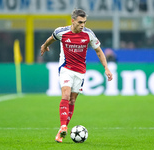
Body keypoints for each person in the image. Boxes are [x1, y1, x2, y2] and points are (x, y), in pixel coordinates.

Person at [41, 9, 113, 143]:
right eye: (80, 22)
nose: (82, 25)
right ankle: (63, 125)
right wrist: (45, 46)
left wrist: (106, 68)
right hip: (66, 68)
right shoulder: (61, 32)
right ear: (72, 21)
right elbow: (51, 39)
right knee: (66, 95)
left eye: (84, 22)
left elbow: (99, 51)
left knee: (72, 101)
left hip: (80, 71)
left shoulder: (88, 34)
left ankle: (62, 130)